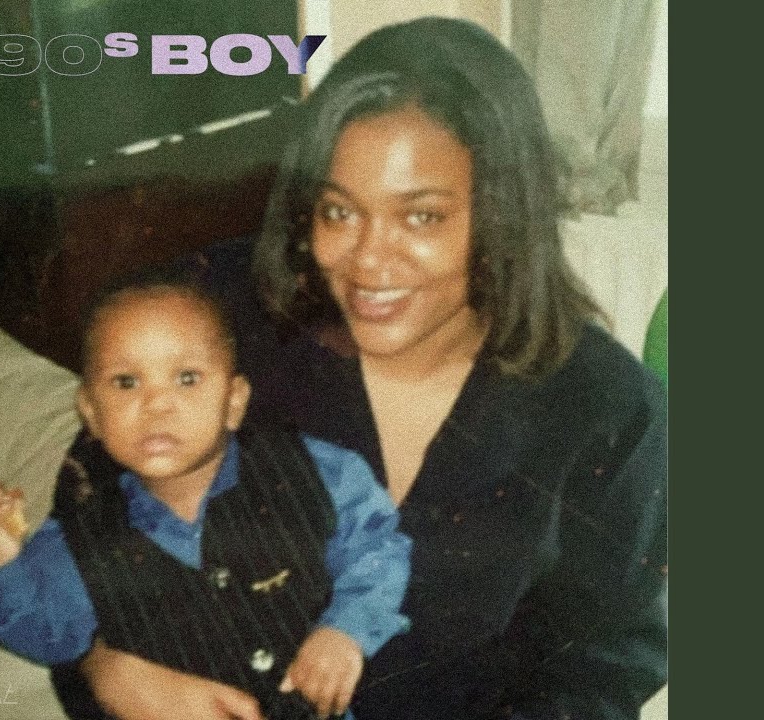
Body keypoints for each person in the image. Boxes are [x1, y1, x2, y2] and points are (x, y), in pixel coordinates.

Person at [73, 16, 668, 720]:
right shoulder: (218, 321)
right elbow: (85, 514)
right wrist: (103, 667)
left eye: (421, 217)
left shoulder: (606, 404)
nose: (367, 261)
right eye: (338, 212)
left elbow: (606, 661)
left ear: (502, 216)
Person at [0, 275, 413, 720]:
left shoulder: (314, 472)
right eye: (126, 382)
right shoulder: (82, 529)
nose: (157, 404)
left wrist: (346, 630)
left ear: (233, 401)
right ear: (91, 413)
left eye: (187, 378)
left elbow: (378, 548)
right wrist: (2, 555)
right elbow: (52, 637)